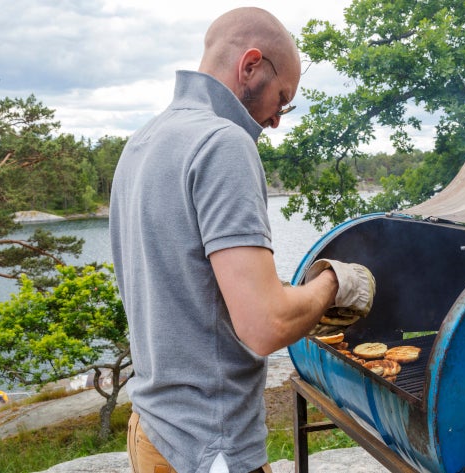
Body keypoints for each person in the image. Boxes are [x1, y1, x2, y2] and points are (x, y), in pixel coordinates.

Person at [109, 7, 375, 473]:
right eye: (282, 97)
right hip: (208, 446)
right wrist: (335, 283)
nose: (277, 120)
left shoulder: (143, 141)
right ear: (250, 65)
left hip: (151, 429)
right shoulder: (222, 142)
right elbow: (265, 325)